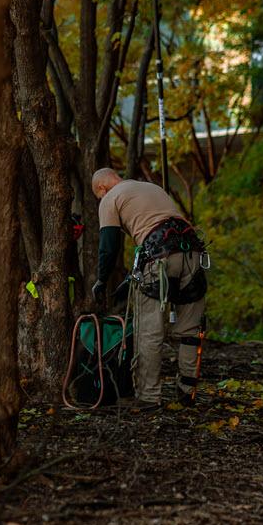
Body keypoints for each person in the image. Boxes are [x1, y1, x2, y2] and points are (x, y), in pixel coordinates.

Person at [91, 168, 207, 408]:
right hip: (193, 252)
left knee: (149, 329)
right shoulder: (152, 187)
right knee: (190, 330)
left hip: (159, 258)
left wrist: (102, 280)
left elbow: (108, 247)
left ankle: (148, 396)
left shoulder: (110, 199)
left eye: (98, 195)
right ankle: (187, 392)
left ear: (101, 188)